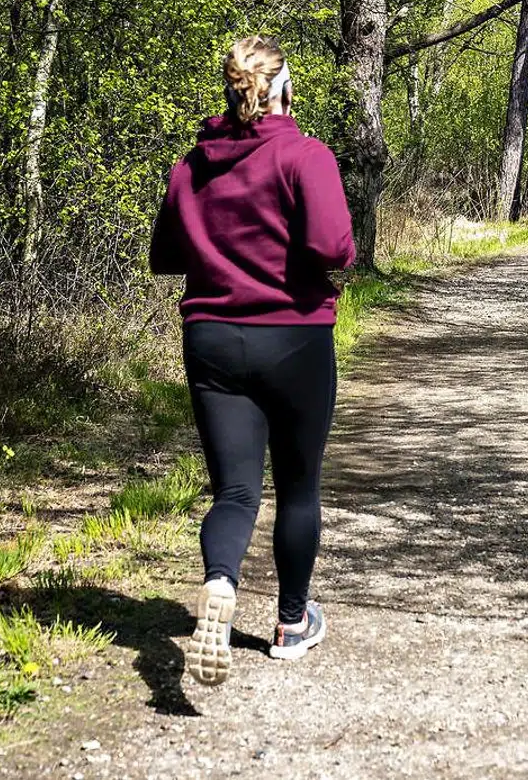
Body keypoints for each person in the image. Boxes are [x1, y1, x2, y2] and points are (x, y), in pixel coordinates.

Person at [149, 36, 355, 687]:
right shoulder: (304, 155)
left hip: (211, 339)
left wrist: (219, 246)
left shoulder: (192, 166)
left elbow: (163, 256)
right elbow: (334, 246)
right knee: (298, 487)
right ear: (285, 90)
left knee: (235, 490)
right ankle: (292, 625)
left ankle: (219, 580)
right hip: (293, 337)